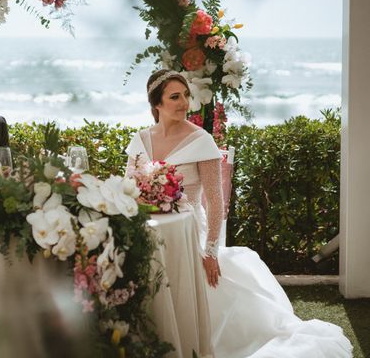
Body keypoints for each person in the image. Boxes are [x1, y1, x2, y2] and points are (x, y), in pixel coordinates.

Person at [126, 69, 352, 358]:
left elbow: (215, 202)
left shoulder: (201, 140)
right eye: (174, 97)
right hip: (150, 229)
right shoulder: (141, 140)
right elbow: (129, 189)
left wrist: (210, 252)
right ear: (156, 104)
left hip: (190, 231)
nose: (184, 103)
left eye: (186, 96)